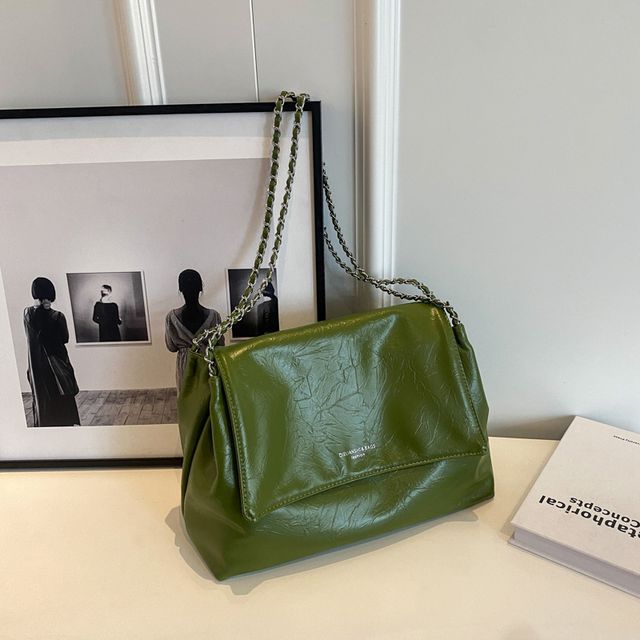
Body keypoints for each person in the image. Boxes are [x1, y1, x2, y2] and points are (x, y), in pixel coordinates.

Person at [24, 277, 80, 427]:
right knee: (62, 397)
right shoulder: (58, 316)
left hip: (37, 366)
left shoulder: (27, 314)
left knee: (43, 399)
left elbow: (32, 337)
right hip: (57, 363)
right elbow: (65, 339)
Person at [165, 269, 224, 391]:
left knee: (187, 399)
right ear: (200, 288)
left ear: (180, 289)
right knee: (208, 398)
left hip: (185, 365)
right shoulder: (214, 316)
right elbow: (220, 345)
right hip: (207, 363)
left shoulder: (171, 317)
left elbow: (171, 347)